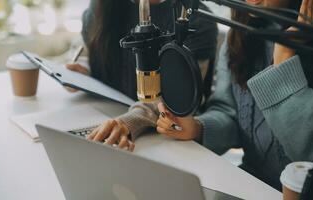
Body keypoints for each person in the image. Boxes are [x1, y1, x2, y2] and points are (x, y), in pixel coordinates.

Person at [154, 0, 313, 191]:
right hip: (249, 183)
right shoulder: (240, 34)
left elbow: (308, 150)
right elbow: (229, 113)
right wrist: (198, 128)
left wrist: (283, 55)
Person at [67, 0, 218, 150]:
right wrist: (82, 69)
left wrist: (129, 122)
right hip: (102, 113)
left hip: (168, 140)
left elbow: (178, 96)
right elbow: (86, 46)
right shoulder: (102, 5)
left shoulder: (196, 19)